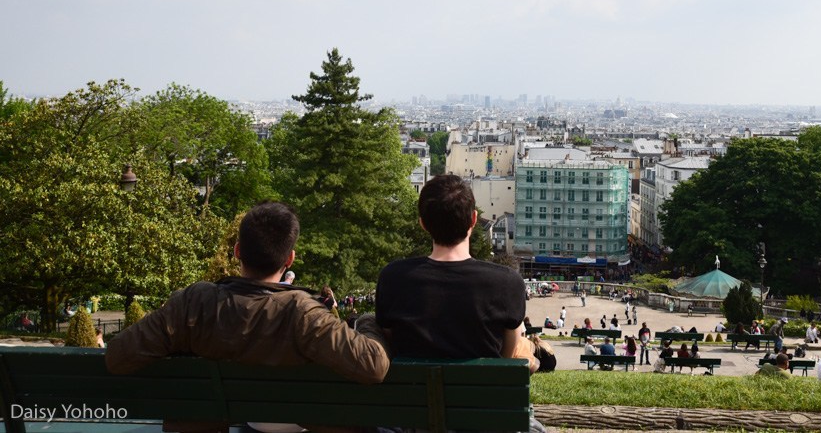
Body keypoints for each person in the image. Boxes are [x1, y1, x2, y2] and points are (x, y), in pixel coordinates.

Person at [106, 201, 390, 433]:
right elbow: (373, 365)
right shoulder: (303, 313)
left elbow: (118, 355)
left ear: (237, 251)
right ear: (289, 259)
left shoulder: (195, 303)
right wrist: (367, 322)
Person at [375, 175, 537, 371]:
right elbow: (506, 358)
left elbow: (390, 343)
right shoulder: (507, 282)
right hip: (483, 396)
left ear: (423, 224)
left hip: (414, 397)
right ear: (474, 219)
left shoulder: (393, 278)